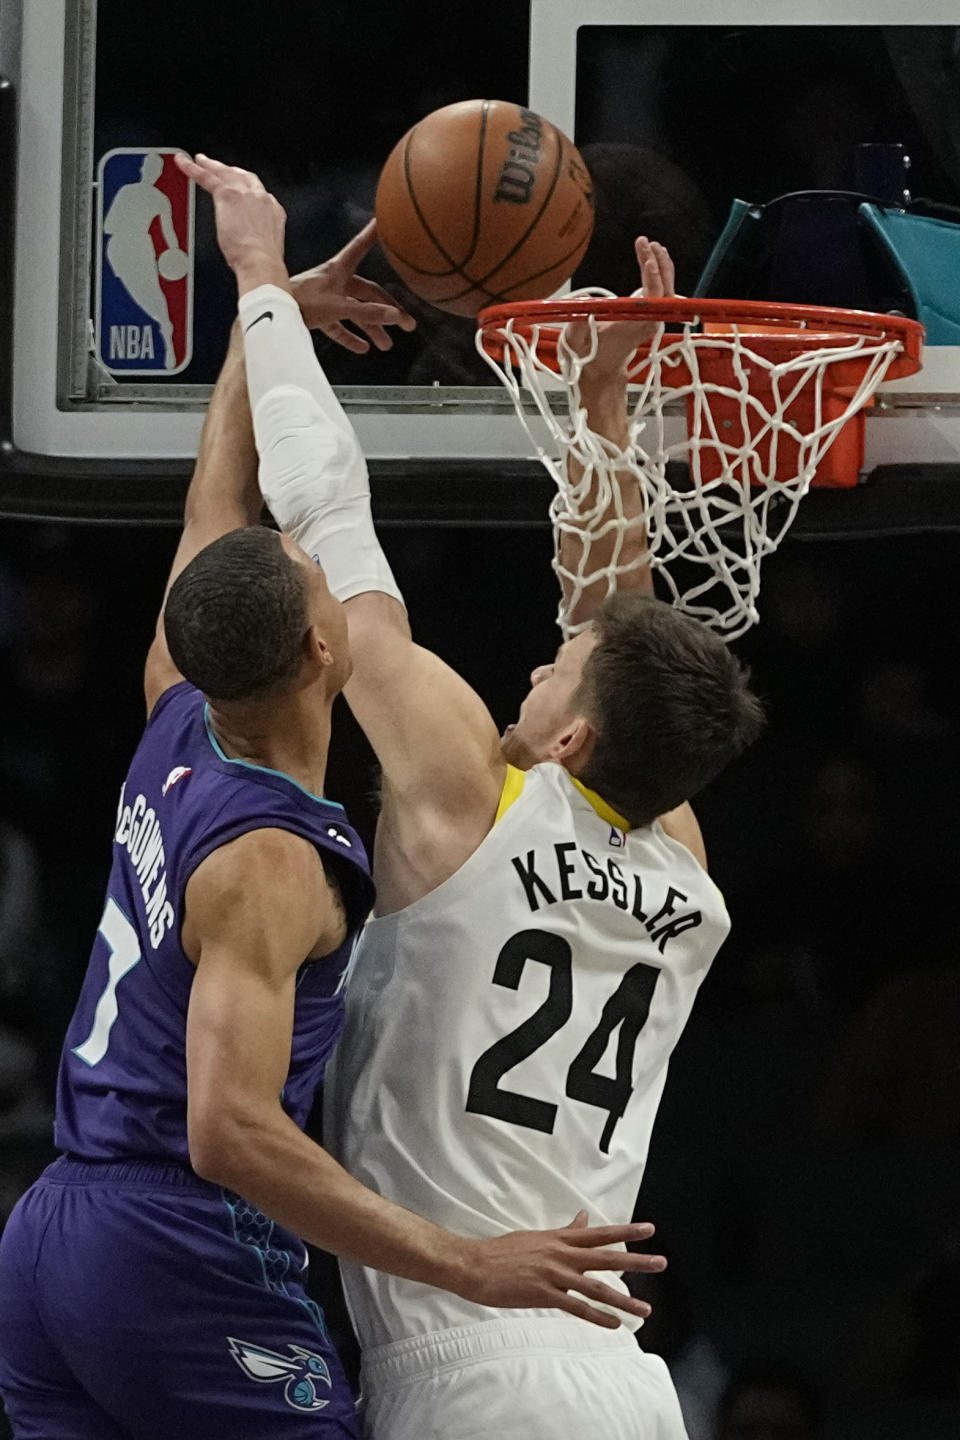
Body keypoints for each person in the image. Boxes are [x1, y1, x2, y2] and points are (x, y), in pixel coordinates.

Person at [0, 165, 669, 1440]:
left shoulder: (176, 715)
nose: (323, 574)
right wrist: (472, 1263)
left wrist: (276, 317)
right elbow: (227, 1130)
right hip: (177, 1243)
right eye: (320, 588)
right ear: (322, 654)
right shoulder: (274, 858)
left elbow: (219, 505)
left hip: (52, 1231)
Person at [193, 153, 763, 1439]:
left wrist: (260, 285)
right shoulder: (684, 857)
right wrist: (605, 428)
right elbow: (615, 632)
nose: (535, 654)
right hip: (625, 1382)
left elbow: (331, 511)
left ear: (566, 737)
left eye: (552, 670)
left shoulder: (468, 797)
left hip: (477, 1367)